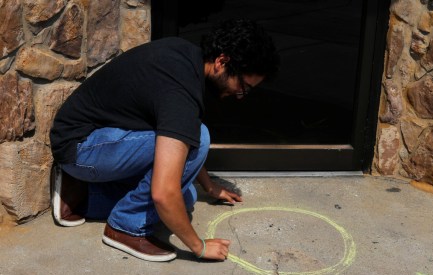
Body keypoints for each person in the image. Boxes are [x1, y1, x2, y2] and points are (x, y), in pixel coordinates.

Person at [49, 18, 279, 262]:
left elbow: (182, 139)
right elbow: (163, 192)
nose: (240, 96)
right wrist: (198, 246)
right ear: (222, 62)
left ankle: (83, 196)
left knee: (187, 196)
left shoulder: (187, 57)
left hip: (105, 141)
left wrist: (208, 186)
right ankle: (125, 227)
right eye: (243, 86)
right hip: (81, 147)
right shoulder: (181, 92)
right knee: (195, 148)